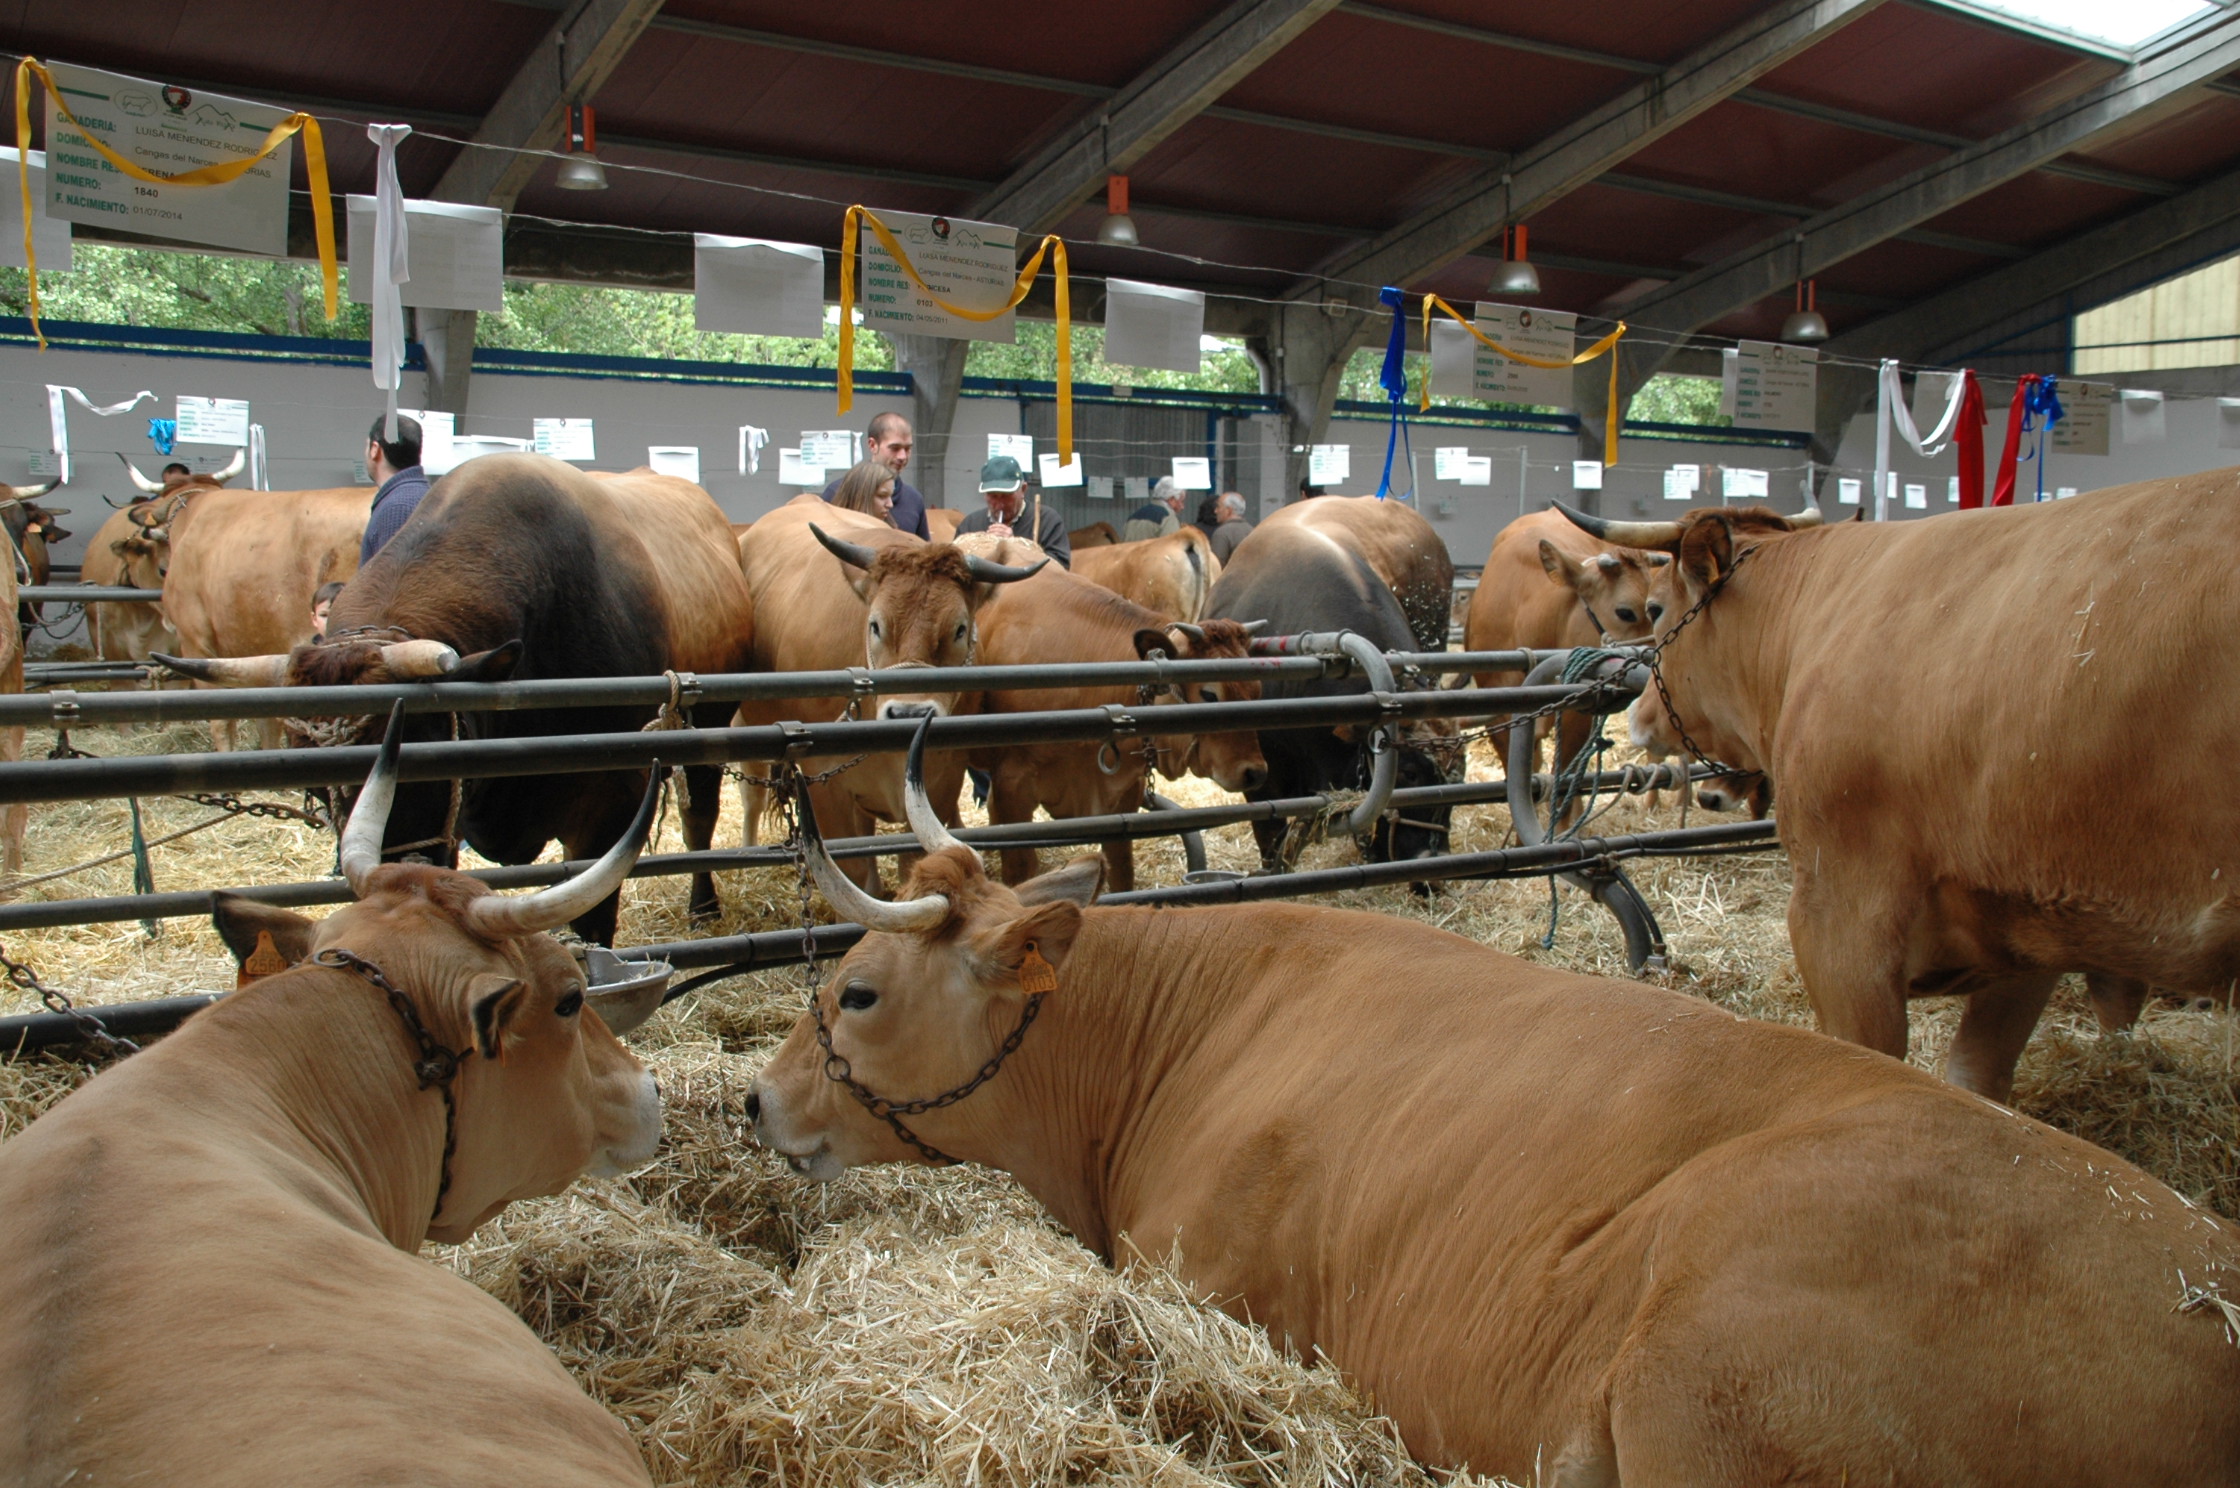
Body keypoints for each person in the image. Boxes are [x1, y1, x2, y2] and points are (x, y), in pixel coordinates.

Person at [821, 411, 929, 539]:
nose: (902, 456)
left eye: (908, 449)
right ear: (872, 445)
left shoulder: (914, 499)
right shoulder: (836, 492)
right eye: (894, 448)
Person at [955, 455, 1070, 568]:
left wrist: (1016, 546)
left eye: (1006, 496)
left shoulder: (1047, 520)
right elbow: (954, 567)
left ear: (1023, 489)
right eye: (993, 496)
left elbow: (1061, 566)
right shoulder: (970, 524)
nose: (1000, 504)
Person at [358, 414, 428, 564]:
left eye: (367, 445)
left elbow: (392, 584)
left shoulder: (397, 509)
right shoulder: (425, 496)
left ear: (375, 450)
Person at [829, 458, 898, 526]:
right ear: (859, 496)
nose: (890, 504)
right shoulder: (831, 530)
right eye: (882, 496)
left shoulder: (891, 530)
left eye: (891, 496)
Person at [1123, 476, 1183, 542]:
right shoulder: (1168, 518)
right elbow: (1171, 549)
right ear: (1171, 499)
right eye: (1181, 501)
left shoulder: (1132, 518)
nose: (1182, 507)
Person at [1208, 490, 1254, 564]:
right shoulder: (1252, 530)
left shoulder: (1222, 533)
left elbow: (1217, 565)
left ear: (1228, 510)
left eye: (1218, 507)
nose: (1215, 511)